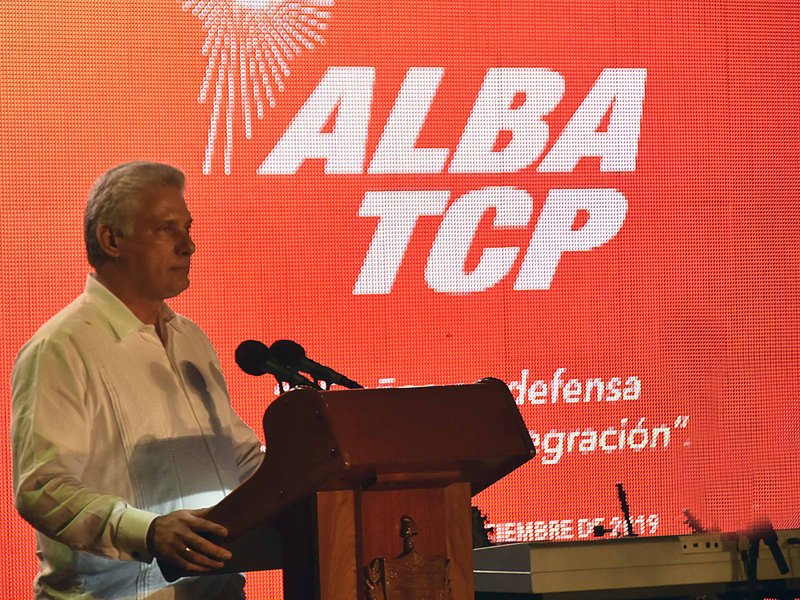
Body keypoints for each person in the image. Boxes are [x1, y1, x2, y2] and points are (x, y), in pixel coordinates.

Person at [11, 162, 264, 599]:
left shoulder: (190, 339)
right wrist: (148, 532)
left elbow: (237, 457)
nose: (189, 246)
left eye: (187, 228)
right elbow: (43, 489)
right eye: (167, 229)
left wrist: (316, 475)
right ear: (112, 240)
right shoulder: (61, 347)